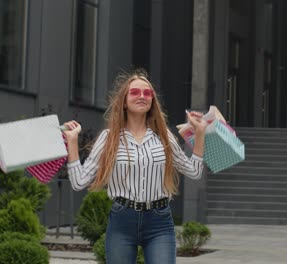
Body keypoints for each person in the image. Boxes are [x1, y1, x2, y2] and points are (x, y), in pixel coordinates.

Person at [62, 69, 207, 264]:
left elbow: (194, 171)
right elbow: (79, 182)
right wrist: (72, 142)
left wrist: (199, 135)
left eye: (147, 93)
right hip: (122, 219)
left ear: (152, 101)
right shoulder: (109, 138)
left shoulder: (164, 137)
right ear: (123, 101)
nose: (142, 96)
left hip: (159, 221)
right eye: (135, 92)